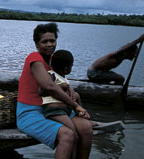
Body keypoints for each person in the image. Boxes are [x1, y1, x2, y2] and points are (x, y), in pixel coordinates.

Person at [17, 23, 92, 159]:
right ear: (36, 43)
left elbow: (61, 82)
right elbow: (49, 86)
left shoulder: (54, 60)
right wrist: (75, 105)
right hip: (30, 113)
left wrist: (72, 92)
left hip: (53, 109)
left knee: (86, 128)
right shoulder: (34, 58)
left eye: (52, 40)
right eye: (44, 41)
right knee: (68, 135)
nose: (50, 44)